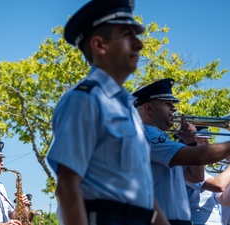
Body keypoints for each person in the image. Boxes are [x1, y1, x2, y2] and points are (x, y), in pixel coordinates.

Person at [46, 0, 169, 224]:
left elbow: (145, 194)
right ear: (99, 45)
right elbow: (67, 185)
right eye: (127, 35)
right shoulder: (84, 99)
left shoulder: (127, 109)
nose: (139, 44)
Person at [133, 78, 230, 224]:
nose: (174, 109)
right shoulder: (147, 136)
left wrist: (191, 142)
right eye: (167, 104)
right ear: (148, 108)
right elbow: (198, 158)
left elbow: (196, 176)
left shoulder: (159, 137)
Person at [184, 126, 230, 224]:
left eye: (207, 140)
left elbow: (223, 199)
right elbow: (218, 185)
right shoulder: (185, 167)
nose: (207, 145)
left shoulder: (207, 174)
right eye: (202, 141)